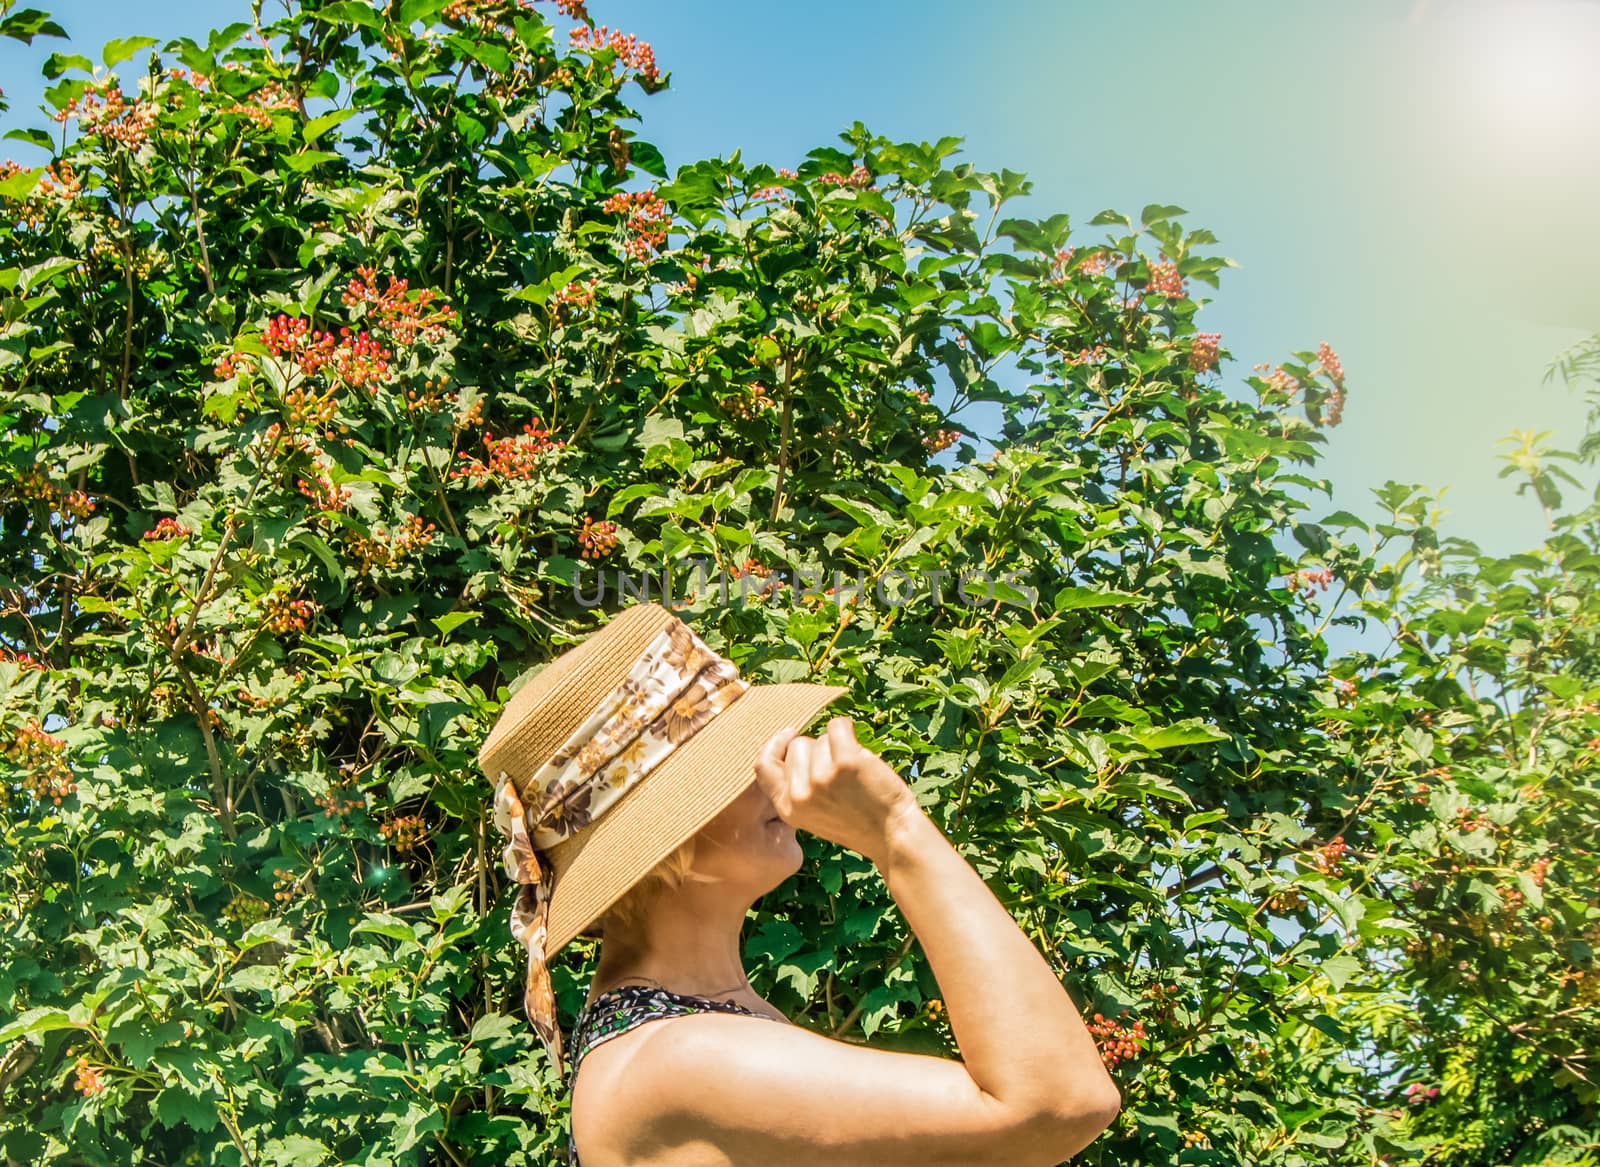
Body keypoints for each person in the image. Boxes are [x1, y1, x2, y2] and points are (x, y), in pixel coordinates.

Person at [479, 601, 1119, 1167]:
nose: (776, 766)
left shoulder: (678, 1024)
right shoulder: (683, 1059)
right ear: (663, 840)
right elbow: (1058, 1102)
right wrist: (896, 833)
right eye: (735, 761)